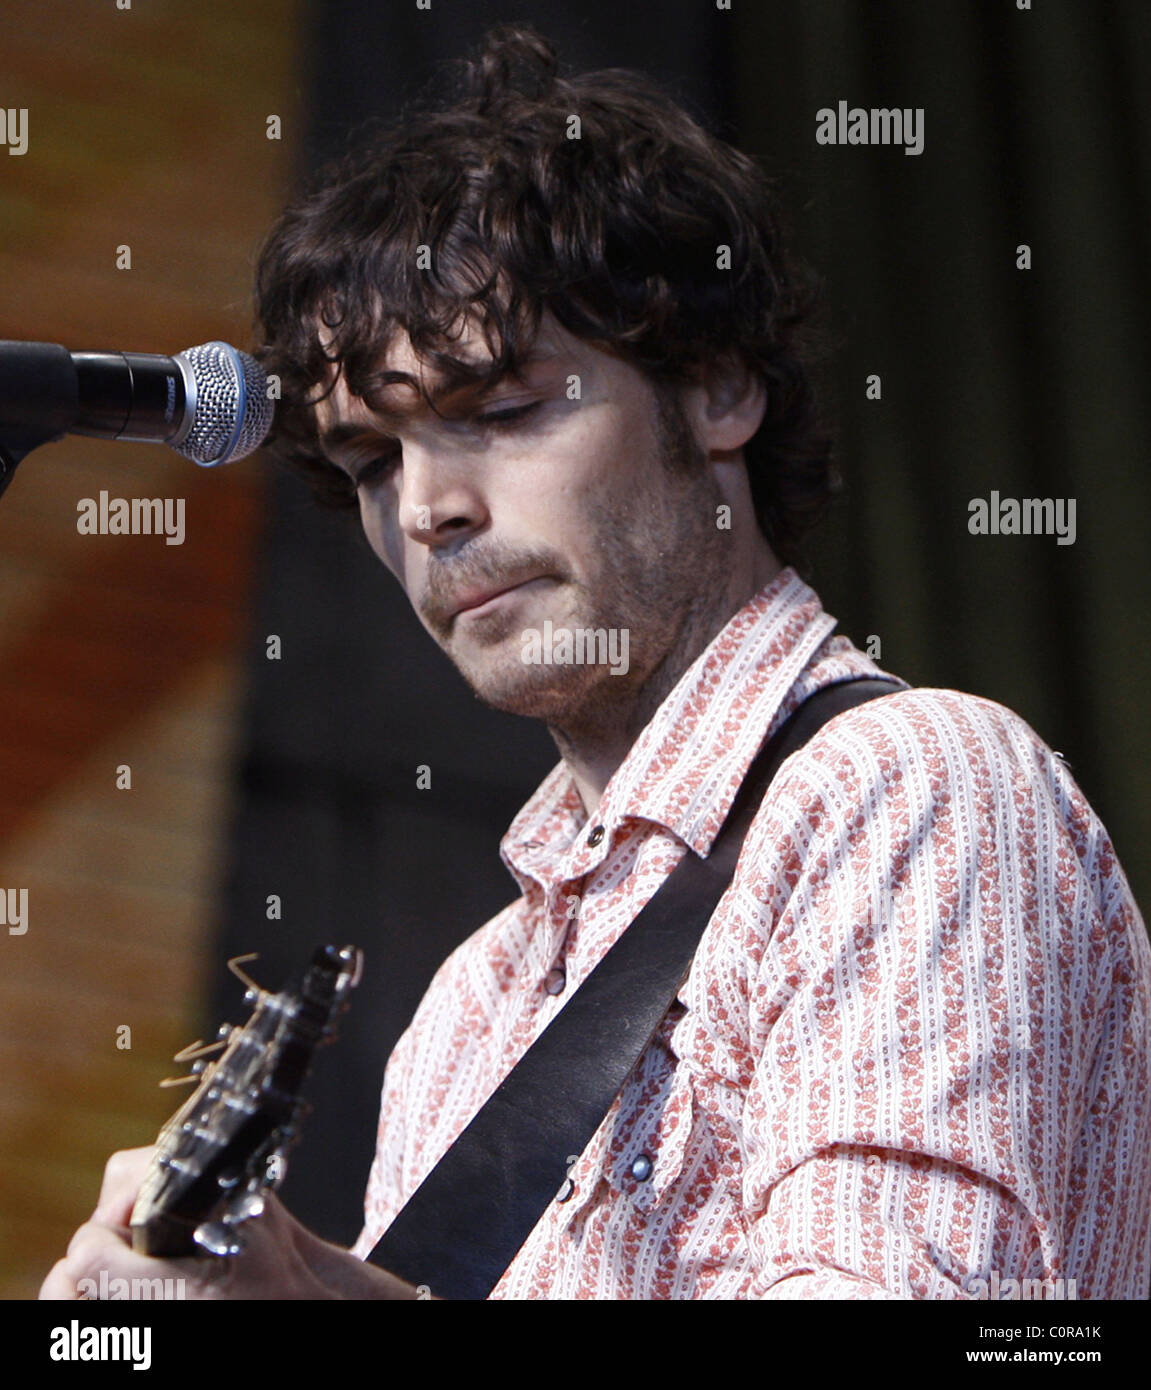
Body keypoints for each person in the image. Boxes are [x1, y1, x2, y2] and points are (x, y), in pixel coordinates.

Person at [41, 23, 1151, 1301]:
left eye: (502, 411)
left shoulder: (909, 792)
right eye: (369, 460)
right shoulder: (472, 1007)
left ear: (718, 388)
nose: (425, 509)